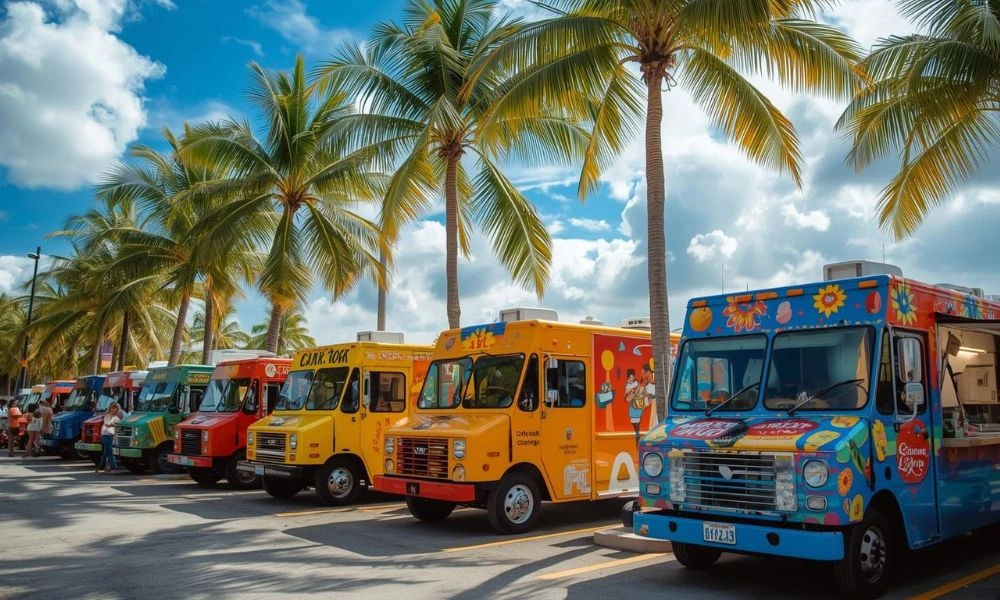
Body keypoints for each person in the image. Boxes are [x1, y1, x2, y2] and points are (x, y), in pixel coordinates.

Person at [97, 401, 122, 473]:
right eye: (113, 408)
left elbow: (118, 426)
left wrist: (113, 425)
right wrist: (114, 425)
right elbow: (107, 424)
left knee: (106, 452)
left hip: (112, 436)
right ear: (110, 408)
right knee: (110, 451)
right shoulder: (107, 416)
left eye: (116, 408)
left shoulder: (117, 417)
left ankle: (100, 466)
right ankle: (114, 467)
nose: (114, 409)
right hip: (105, 435)